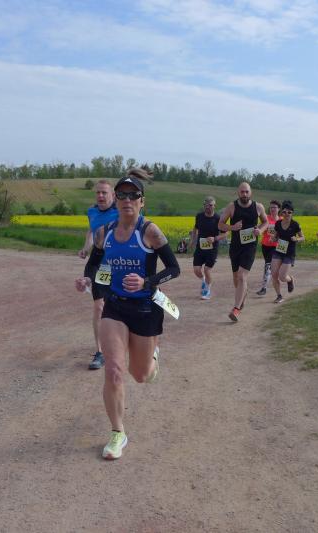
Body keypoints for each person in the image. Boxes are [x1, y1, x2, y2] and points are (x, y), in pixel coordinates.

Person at [82, 168, 181, 460]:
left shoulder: (149, 231)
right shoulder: (105, 233)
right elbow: (95, 265)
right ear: (116, 200)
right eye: (122, 195)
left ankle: (153, 358)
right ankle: (118, 433)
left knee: (141, 375)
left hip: (145, 309)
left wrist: (147, 282)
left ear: (141, 201)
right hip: (115, 307)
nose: (127, 200)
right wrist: (88, 279)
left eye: (133, 195)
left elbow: (174, 268)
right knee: (114, 370)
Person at [77, 180, 118, 370]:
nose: (100, 196)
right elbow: (91, 232)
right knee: (99, 306)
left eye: (104, 193)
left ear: (113, 196)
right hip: (98, 262)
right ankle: (100, 352)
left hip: (116, 261)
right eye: (98, 193)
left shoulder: (121, 211)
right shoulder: (92, 212)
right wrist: (86, 248)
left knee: (116, 304)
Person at [218, 182, 268, 322]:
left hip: (250, 246)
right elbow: (220, 224)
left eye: (247, 191)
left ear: (250, 192)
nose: (244, 194)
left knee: (242, 275)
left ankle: (236, 309)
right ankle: (242, 297)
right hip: (235, 247)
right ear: (238, 193)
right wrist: (232, 227)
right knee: (236, 278)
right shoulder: (232, 207)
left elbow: (265, 222)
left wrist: (260, 230)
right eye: (242, 192)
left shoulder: (258, 207)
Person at [189, 196, 225, 300]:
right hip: (200, 247)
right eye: (206, 205)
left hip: (212, 249)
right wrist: (192, 240)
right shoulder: (199, 216)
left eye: (210, 205)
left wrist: (215, 238)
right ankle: (204, 280)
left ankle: (208, 290)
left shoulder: (218, 219)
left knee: (207, 269)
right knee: (196, 270)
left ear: (214, 206)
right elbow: (195, 228)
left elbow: (225, 234)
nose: (208, 207)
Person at [270, 200, 304, 303]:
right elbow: (276, 236)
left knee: (282, 276)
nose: (287, 214)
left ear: (292, 213)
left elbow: (303, 237)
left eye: (289, 212)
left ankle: (290, 280)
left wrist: (297, 239)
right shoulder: (278, 223)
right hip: (279, 251)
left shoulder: (295, 225)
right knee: (274, 274)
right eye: (284, 212)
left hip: (289, 253)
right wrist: (273, 239)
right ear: (281, 213)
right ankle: (279, 296)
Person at [256, 200, 281, 296]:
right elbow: (260, 227)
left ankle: (264, 288)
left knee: (268, 265)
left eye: (274, 207)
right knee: (269, 265)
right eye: (271, 207)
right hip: (265, 245)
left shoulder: (281, 220)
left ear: (279, 209)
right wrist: (258, 229)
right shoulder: (266, 218)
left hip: (276, 246)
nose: (272, 209)